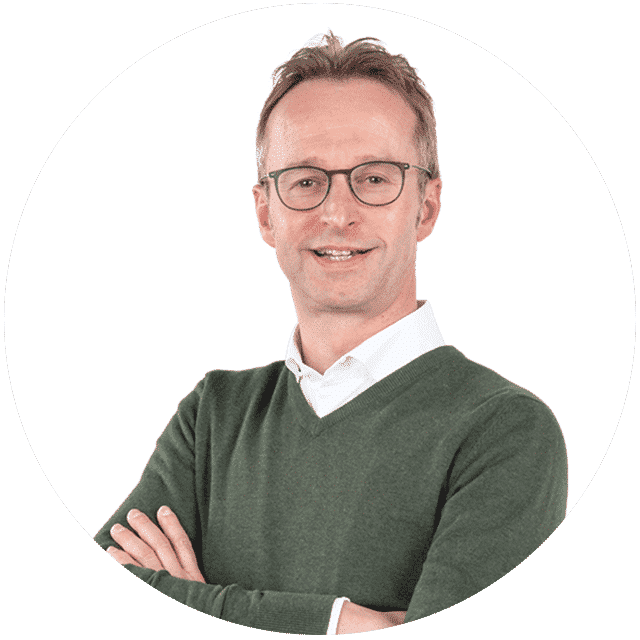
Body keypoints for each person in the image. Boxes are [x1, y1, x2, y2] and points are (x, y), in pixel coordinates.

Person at [94, 33, 568, 634]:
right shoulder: (213, 417)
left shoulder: (506, 431)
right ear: (266, 213)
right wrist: (337, 620)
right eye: (305, 180)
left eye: (374, 179)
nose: (337, 213)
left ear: (425, 207)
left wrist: (192, 600)